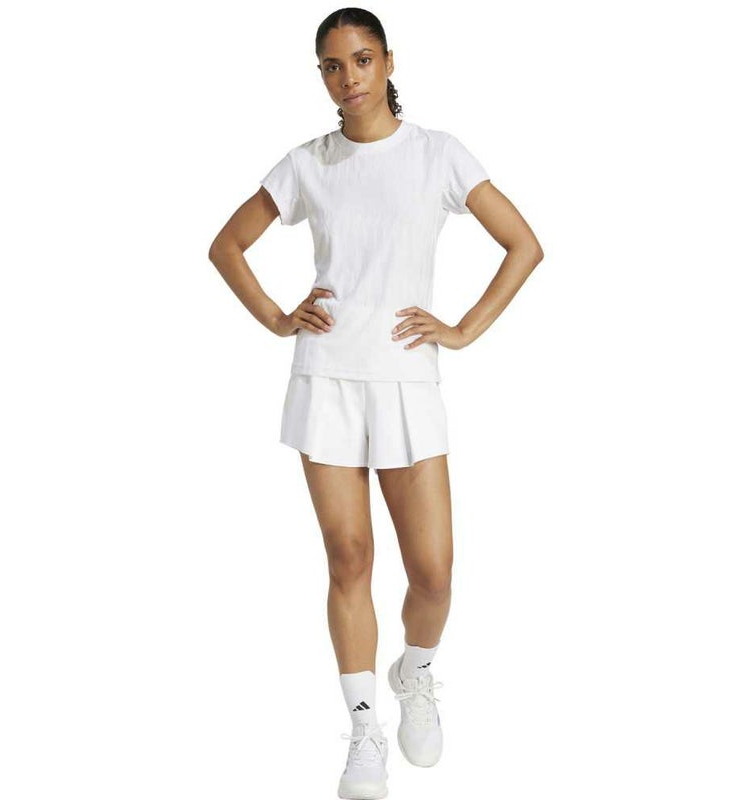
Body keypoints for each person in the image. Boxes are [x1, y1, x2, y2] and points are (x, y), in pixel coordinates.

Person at [208, 8, 544, 799]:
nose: (348, 78)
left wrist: (461, 329)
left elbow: (524, 244)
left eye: (361, 60)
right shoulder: (308, 163)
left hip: (406, 380)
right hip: (326, 377)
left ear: (389, 62)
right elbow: (226, 246)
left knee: (434, 572)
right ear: (321, 75)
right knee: (349, 558)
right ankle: (364, 728)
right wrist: (278, 318)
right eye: (332, 65)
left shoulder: (437, 154)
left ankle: (414, 673)